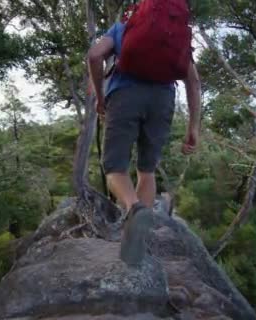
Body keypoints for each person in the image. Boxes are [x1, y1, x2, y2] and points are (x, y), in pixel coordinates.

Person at [87, 14, 202, 266]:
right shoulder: (175, 36)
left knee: (115, 167)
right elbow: (192, 81)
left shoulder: (121, 29)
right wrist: (193, 126)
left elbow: (95, 56)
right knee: (146, 171)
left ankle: (133, 207)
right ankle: (139, 240)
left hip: (124, 95)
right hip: (162, 100)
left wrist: (99, 95)